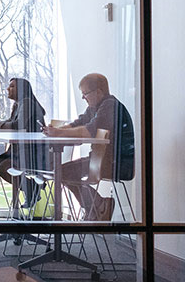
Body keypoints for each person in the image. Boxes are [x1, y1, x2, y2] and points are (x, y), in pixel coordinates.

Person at [43, 73, 135, 221]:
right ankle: (97, 206)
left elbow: (88, 130)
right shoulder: (96, 106)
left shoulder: (110, 105)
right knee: (62, 173)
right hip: (101, 159)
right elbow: (79, 123)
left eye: (85, 93)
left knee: (61, 173)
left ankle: (99, 205)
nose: (83, 98)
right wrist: (54, 131)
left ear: (98, 92)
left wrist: (59, 132)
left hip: (117, 163)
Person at [0, 77, 48, 209]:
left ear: (21, 90)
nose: (8, 89)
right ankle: (30, 189)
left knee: (3, 166)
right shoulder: (18, 104)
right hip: (20, 150)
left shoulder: (27, 102)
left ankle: (31, 189)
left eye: (12, 86)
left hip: (31, 153)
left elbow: (19, 125)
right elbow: (10, 121)